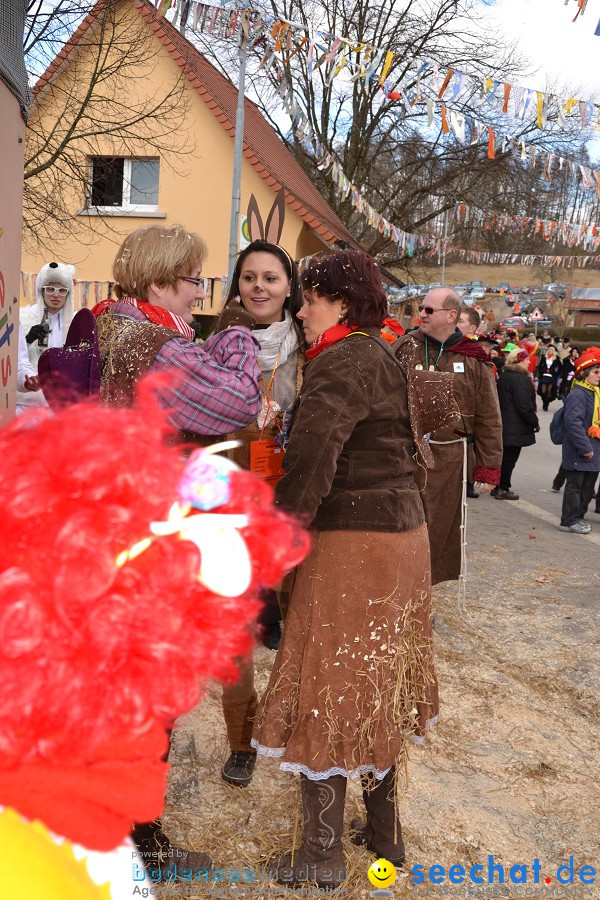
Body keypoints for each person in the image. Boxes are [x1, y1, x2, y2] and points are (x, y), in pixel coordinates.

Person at [252, 250, 447, 890]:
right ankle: (384, 832)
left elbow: (312, 465)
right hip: (399, 537)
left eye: (309, 298)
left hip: (357, 544)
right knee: (380, 681)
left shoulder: (342, 361)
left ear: (341, 302)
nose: (300, 309)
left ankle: (320, 856)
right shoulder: (378, 353)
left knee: (330, 681)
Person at [92, 223, 263, 876]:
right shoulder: (153, 345)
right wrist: (240, 329)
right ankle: (139, 846)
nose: (201, 292)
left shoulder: (111, 325)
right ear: (162, 280)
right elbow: (237, 402)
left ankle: (125, 834)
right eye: (195, 279)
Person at [218, 239, 305, 789]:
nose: (259, 288)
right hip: (235, 507)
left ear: (289, 287)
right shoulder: (217, 345)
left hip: (294, 510)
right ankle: (242, 741)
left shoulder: (313, 349)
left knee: (300, 627)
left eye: (270, 278)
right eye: (249, 277)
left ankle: (297, 732)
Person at [394, 288, 502, 585]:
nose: (422, 315)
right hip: (403, 454)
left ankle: (424, 592)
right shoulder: (405, 347)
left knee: (437, 528)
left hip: (449, 460)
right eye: (422, 309)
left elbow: (489, 418)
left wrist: (489, 466)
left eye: (429, 310)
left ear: (451, 316)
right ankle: (396, 588)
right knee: (401, 525)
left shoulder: (474, 359)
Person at [17, 260, 75, 412]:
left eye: (62, 290)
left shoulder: (75, 322)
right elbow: (11, 356)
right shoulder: (22, 317)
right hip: (26, 404)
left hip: (59, 405)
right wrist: (28, 339)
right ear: (41, 290)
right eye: (50, 289)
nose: (56, 294)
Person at [558, 347, 600, 534]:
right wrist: (584, 447)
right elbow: (573, 423)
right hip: (580, 449)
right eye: (596, 372)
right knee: (575, 486)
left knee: (585, 487)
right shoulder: (578, 394)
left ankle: (577, 518)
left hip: (592, 447)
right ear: (584, 374)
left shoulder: (594, 393)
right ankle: (569, 521)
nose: (599, 375)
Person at [493, 348, 540, 500]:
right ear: (518, 361)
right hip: (515, 426)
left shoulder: (506, 376)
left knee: (504, 458)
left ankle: (497, 485)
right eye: (526, 360)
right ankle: (503, 488)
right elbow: (524, 406)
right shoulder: (520, 379)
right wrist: (534, 422)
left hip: (505, 424)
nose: (528, 362)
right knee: (509, 460)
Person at [536, 345, 561, 412]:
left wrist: (556, 374)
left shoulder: (556, 358)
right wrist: (541, 372)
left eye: (552, 350)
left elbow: (561, 367)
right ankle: (544, 403)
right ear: (548, 350)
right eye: (549, 349)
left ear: (554, 351)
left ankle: (546, 405)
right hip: (544, 376)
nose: (550, 351)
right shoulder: (544, 357)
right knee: (543, 391)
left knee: (549, 391)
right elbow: (540, 365)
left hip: (552, 376)